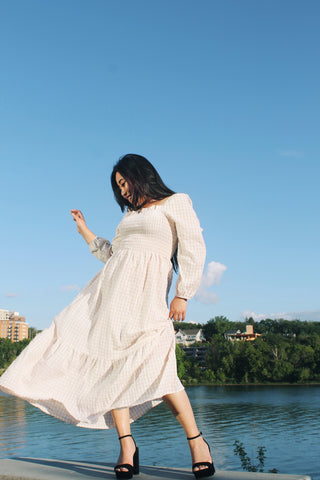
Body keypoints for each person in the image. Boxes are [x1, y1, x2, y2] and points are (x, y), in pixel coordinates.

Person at [0, 154, 214, 479]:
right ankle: (127, 445)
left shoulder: (175, 202)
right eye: (119, 186)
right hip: (112, 299)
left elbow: (194, 247)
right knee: (113, 370)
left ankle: (197, 441)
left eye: (126, 181)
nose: (124, 190)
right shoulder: (129, 217)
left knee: (163, 370)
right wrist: (85, 231)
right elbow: (114, 257)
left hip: (150, 302)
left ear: (142, 174)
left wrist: (183, 292)